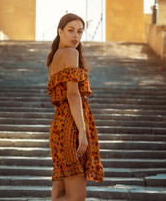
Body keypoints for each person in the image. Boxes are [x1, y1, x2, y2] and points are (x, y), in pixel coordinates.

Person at [46, 13, 104, 201]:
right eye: (70, 30)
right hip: (71, 126)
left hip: (59, 127)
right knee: (76, 198)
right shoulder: (71, 53)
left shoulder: (54, 58)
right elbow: (72, 94)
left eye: (79, 31)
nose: (76, 36)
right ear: (59, 31)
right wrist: (82, 131)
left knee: (60, 193)